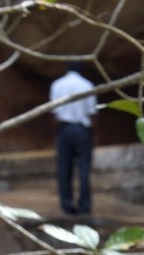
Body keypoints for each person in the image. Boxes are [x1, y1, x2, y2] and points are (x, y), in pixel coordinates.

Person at [50, 62, 98, 216]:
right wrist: (93, 133)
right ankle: (84, 205)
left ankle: (67, 204)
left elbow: (54, 113)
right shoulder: (87, 85)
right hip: (82, 129)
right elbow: (92, 113)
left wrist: (57, 133)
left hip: (64, 129)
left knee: (64, 169)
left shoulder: (57, 85)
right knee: (84, 168)